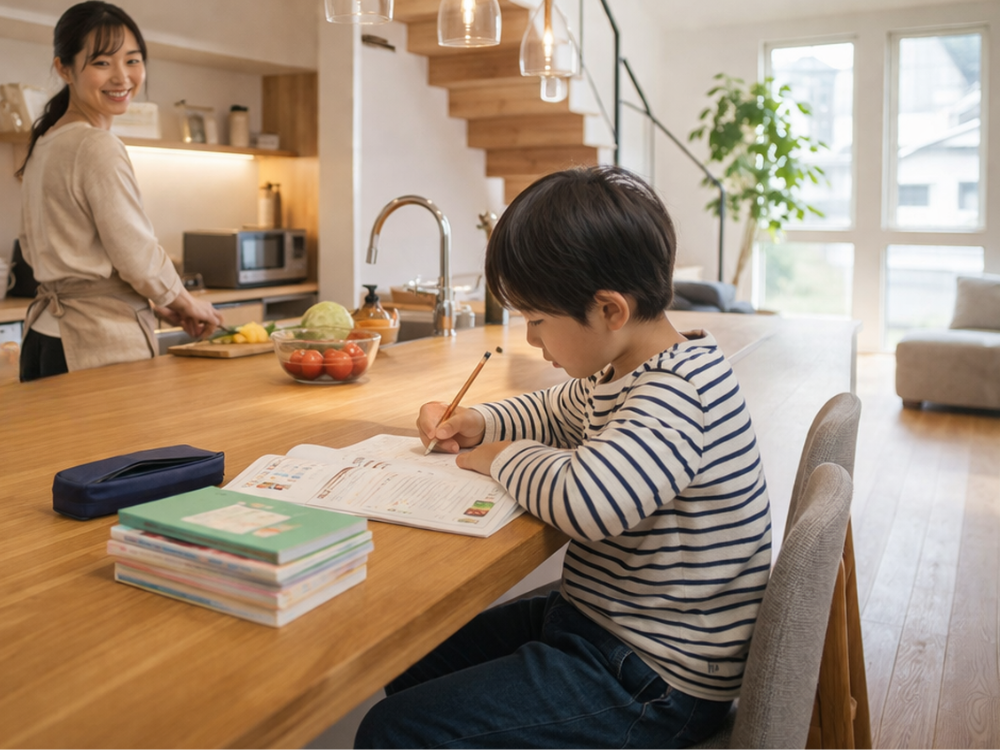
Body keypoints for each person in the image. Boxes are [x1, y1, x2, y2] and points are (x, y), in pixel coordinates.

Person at [355, 166, 773, 749]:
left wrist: (500, 456)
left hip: (655, 677)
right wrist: (479, 421)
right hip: (605, 623)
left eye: (537, 320)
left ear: (609, 311)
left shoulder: (678, 394)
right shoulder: (627, 370)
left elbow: (588, 500)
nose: (531, 339)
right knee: (408, 655)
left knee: (394, 731)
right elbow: (558, 410)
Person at [16, 1, 222, 382]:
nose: (121, 77)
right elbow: (136, 255)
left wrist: (162, 302)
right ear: (64, 68)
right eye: (101, 63)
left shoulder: (45, 143)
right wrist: (186, 302)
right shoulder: (96, 145)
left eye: (132, 60)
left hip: (45, 336)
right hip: (95, 341)